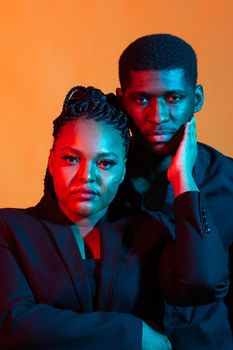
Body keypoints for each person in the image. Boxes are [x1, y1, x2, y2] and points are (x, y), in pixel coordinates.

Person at [0, 86, 228, 350]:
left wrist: (183, 179)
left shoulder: (148, 232)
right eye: (72, 159)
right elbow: (12, 326)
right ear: (51, 162)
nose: (87, 176)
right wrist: (133, 333)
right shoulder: (9, 229)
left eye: (105, 163)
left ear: (123, 171)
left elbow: (204, 283)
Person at [116, 33, 233, 349]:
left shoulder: (229, 181)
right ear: (121, 98)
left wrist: (184, 182)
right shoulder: (101, 180)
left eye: (172, 98)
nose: (157, 117)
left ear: (196, 99)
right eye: (141, 99)